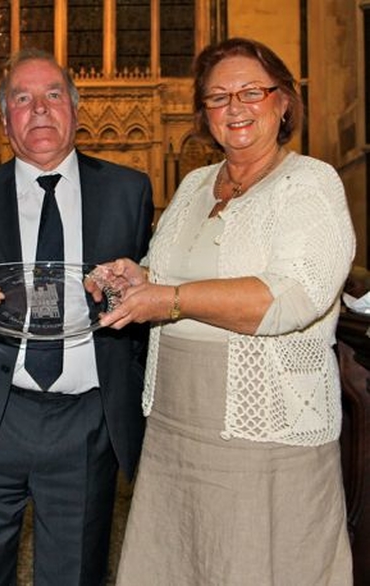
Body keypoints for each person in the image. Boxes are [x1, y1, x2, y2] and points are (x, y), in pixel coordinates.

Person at [95, 37, 355, 585]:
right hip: (175, 423)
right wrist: (136, 277)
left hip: (265, 426)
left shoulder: (309, 182)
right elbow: (169, 271)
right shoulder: (192, 185)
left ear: (283, 102)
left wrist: (167, 299)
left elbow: (295, 296)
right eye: (218, 97)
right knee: (181, 560)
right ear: (204, 113)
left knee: (258, 561)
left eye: (251, 91)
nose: (234, 107)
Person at [0, 49, 154, 585]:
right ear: (5, 121)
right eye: (22, 99)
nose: (40, 109)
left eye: (53, 95)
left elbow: (147, 297)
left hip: (85, 422)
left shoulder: (128, 191)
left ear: (76, 111)